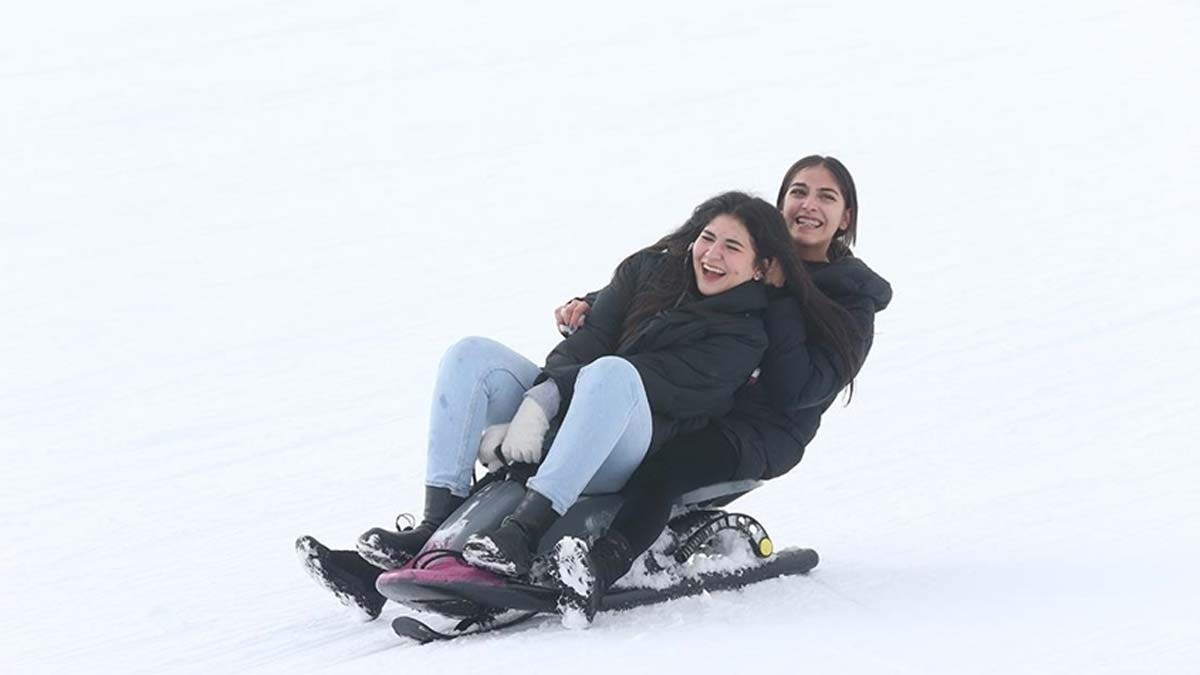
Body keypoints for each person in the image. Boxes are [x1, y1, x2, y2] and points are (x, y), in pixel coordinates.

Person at [297, 191, 851, 620]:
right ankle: (434, 521)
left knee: (614, 373)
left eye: (733, 248)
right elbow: (585, 342)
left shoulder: (744, 337)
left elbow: (650, 381)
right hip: (572, 413)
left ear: (759, 267)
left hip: (631, 446)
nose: (713, 255)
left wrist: (547, 409)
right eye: (708, 238)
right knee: (472, 356)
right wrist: (537, 398)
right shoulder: (648, 271)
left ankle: (522, 531)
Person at [546, 155, 893, 625]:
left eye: (826, 197)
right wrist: (594, 303)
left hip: (758, 428)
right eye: (798, 191)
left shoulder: (852, 298)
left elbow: (798, 390)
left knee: (665, 467)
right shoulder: (747, 252)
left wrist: (786, 294)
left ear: (846, 217)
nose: (809, 205)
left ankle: (602, 567)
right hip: (699, 394)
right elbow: (675, 281)